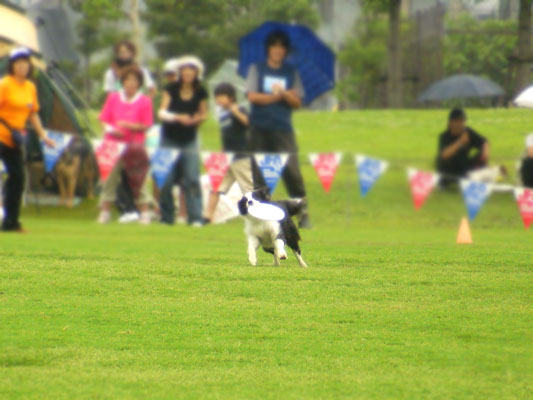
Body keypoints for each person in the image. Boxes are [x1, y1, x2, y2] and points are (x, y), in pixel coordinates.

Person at [245, 30, 310, 228]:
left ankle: (302, 212)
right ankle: (262, 214)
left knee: (292, 171)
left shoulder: (291, 72)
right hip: (259, 127)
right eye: (274, 46)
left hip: (282, 128)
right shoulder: (257, 69)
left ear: (285, 51)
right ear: (268, 49)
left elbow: (297, 102)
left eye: (281, 47)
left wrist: (284, 93)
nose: (278, 50)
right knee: (259, 173)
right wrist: (278, 96)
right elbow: (252, 96)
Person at [0, 47, 55, 232]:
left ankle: (10, 223)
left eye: (25, 63)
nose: (22, 66)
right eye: (18, 63)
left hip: (14, 140)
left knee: (17, 178)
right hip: (0, 135)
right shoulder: (5, 85)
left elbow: (33, 114)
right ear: (12, 66)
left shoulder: (30, 87)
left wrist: (43, 136)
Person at [97, 66, 153, 225]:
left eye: (134, 80)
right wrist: (112, 130)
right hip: (112, 144)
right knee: (109, 178)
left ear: (139, 83)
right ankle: (105, 212)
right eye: (128, 79)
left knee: (138, 179)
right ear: (122, 82)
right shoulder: (113, 98)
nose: (131, 83)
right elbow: (103, 119)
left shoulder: (145, 101)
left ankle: (144, 213)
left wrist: (129, 125)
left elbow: (147, 124)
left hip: (134, 145)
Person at [158, 56, 208, 227]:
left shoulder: (200, 91)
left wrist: (196, 120)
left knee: (192, 178)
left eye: (191, 70)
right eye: (185, 70)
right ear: (180, 72)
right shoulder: (171, 89)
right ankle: (166, 217)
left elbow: (204, 113)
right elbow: (162, 112)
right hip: (169, 138)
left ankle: (195, 217)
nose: (188, 73)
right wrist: (178, 117)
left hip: (189, 139)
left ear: (196, 73)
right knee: (166, 180)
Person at [204, 83, 253, 223]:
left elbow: (249, 123)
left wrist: (236, 112)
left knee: (249, 190)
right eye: (216, 97)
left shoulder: (240, 109)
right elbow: (225, 137)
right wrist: (220, 153)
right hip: (226, 157)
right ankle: (207, 217)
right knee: (216, 186)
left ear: (231, 97)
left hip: (241, 157)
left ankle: (260, 215)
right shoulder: (223, 115)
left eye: (221, 96)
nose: (218, 100)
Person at [436, 108, 490, 186]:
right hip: (449, 170)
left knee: (480, 156)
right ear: (450, 122)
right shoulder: (444, 136)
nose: (460, 124)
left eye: (462, 121)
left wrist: (485, 153)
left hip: (463, 167)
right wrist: (460, 142)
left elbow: (484, 142)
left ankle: (479, 176)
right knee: (443, 162)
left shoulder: (467, 132)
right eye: (457, 121)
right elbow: (444, 155)